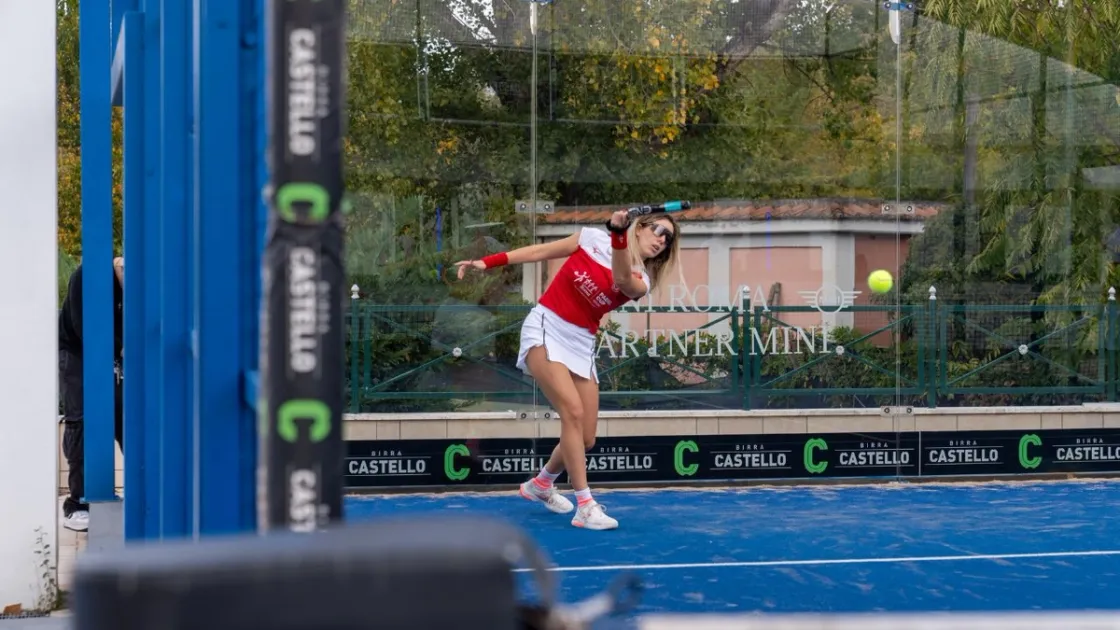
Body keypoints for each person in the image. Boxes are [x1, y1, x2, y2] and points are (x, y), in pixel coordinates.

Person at [455, 210, 681, 530]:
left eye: (668, 239)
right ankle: (585, 506)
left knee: (585, 437)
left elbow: (620, 279)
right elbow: (539, 251)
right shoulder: (591, 239)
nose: (662, 240)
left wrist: (618, 235)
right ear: (640, 227)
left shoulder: (641, 281)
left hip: (581, 342)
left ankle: (541, 484)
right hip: (546, 325)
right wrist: (487, 262)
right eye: (658, 230)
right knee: (572, 412)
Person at [58, 256, 125, 532]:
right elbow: (82, 326)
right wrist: (121, 347)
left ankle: (135, 489)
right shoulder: (88, 275)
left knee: (123, 416)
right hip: (75, 353)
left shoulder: (126, 286)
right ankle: (76, 504)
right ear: (121, 267)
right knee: (80, 420)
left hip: (108, 354)